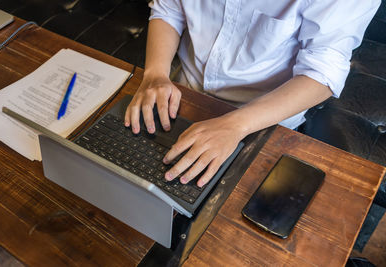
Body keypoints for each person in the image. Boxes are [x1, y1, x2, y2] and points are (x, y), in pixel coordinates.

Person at [124, 0, 380, 187]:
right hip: (184, 93)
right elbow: (169, 9)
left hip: (263, 118)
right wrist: (156, 74)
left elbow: (323, 74)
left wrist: (235, 125)